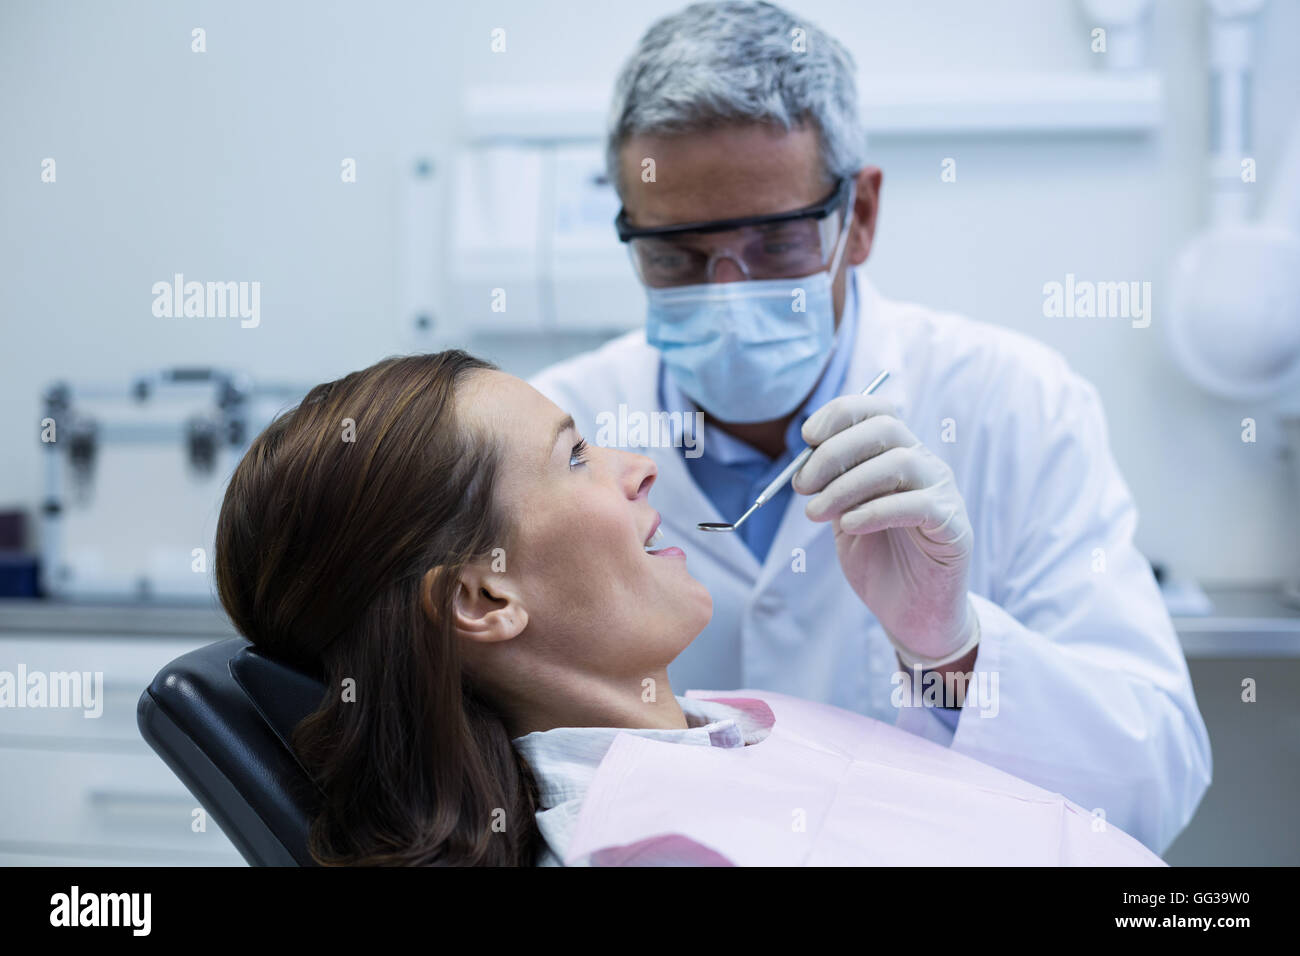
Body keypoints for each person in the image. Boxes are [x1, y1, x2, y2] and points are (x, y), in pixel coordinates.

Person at [528, 0, 1211, 854]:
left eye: (776, 244)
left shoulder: (1015, 403)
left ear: (863, 217)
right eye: (678, 256)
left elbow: (1154, 782)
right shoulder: (557, 433)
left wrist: (952, 650)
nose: (731, 292)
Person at [213, 351, 1161, 866]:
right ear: (483, 595)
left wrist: (945, 645)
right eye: (577, 456)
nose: (642, 467)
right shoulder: (653, 847)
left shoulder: (741, 724)